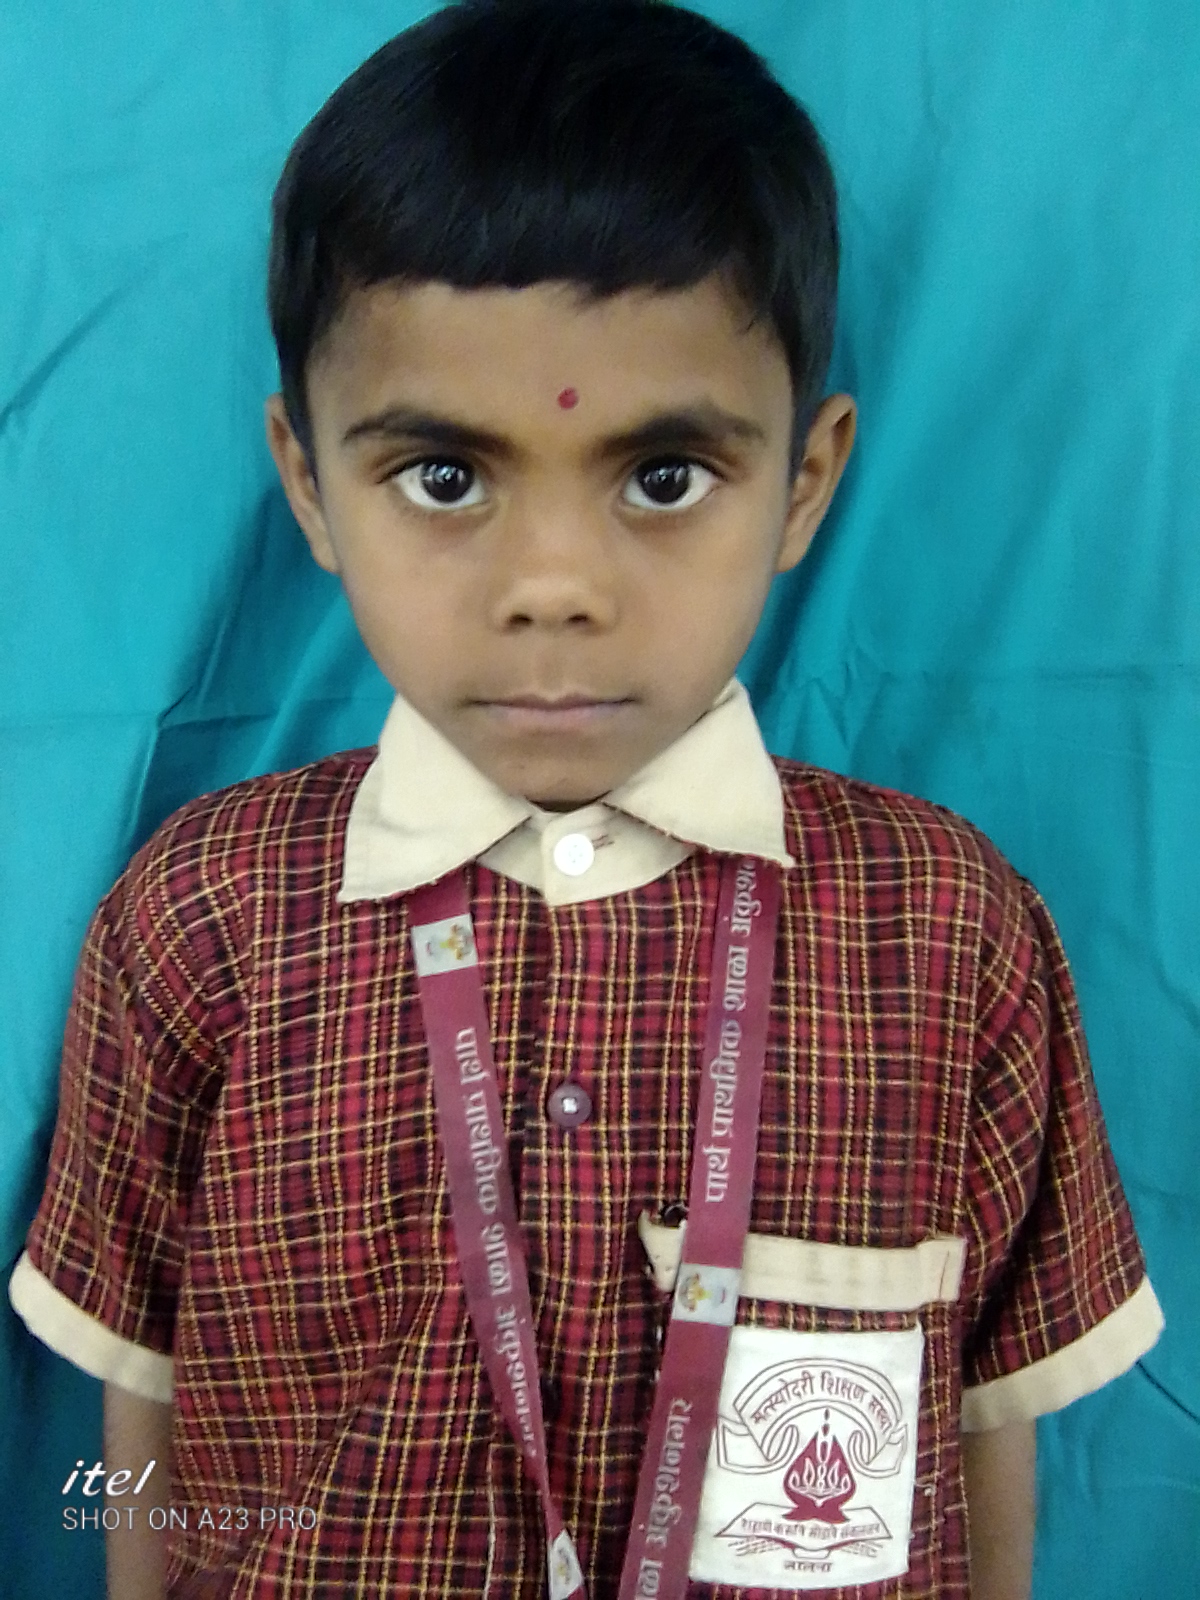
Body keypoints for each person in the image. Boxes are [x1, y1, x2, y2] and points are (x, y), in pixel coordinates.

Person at [9, 2, 1162, 1597]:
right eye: (444, 477)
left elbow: (986, 1434)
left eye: (664, 477)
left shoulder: (954, 935)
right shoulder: (197, 923)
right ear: (308, 484)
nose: (554, 585)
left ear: (804, 482)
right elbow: (143, 1419)